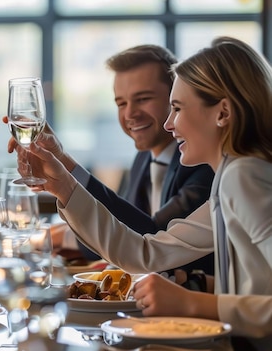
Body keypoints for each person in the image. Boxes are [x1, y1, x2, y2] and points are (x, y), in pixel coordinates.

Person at [15, 36, 272, 349]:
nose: (169, 124)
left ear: (222, 113)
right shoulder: (230, 177)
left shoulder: (245, 176)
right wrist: (64, 186)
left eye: (177, 108)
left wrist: (193, 303)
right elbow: (146, 253)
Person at [44, 45, 215, 278]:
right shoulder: (143, 158)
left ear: (174, 96)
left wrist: (65, 168)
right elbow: (120, 225)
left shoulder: (206, 163)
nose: (130, 114)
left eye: (143, 99)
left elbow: (151, 238)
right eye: (121, 103)